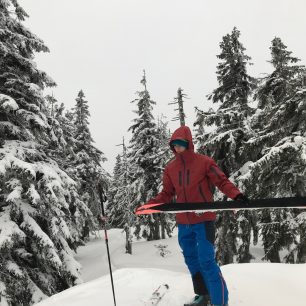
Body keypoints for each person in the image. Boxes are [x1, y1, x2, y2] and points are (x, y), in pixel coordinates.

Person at [147, 126, 248, 306]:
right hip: (183, 221)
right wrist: (151, 204)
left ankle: (220, 302)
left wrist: (237, 195)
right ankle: (203, 295)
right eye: (174, 145)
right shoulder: (170, 168)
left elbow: (222, 181)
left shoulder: (204, 162)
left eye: (181, 144)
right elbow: (167, 193)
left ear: (188, 143)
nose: (177, 148)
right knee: (192, 260)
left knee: (207, 261)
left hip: (203, 219)